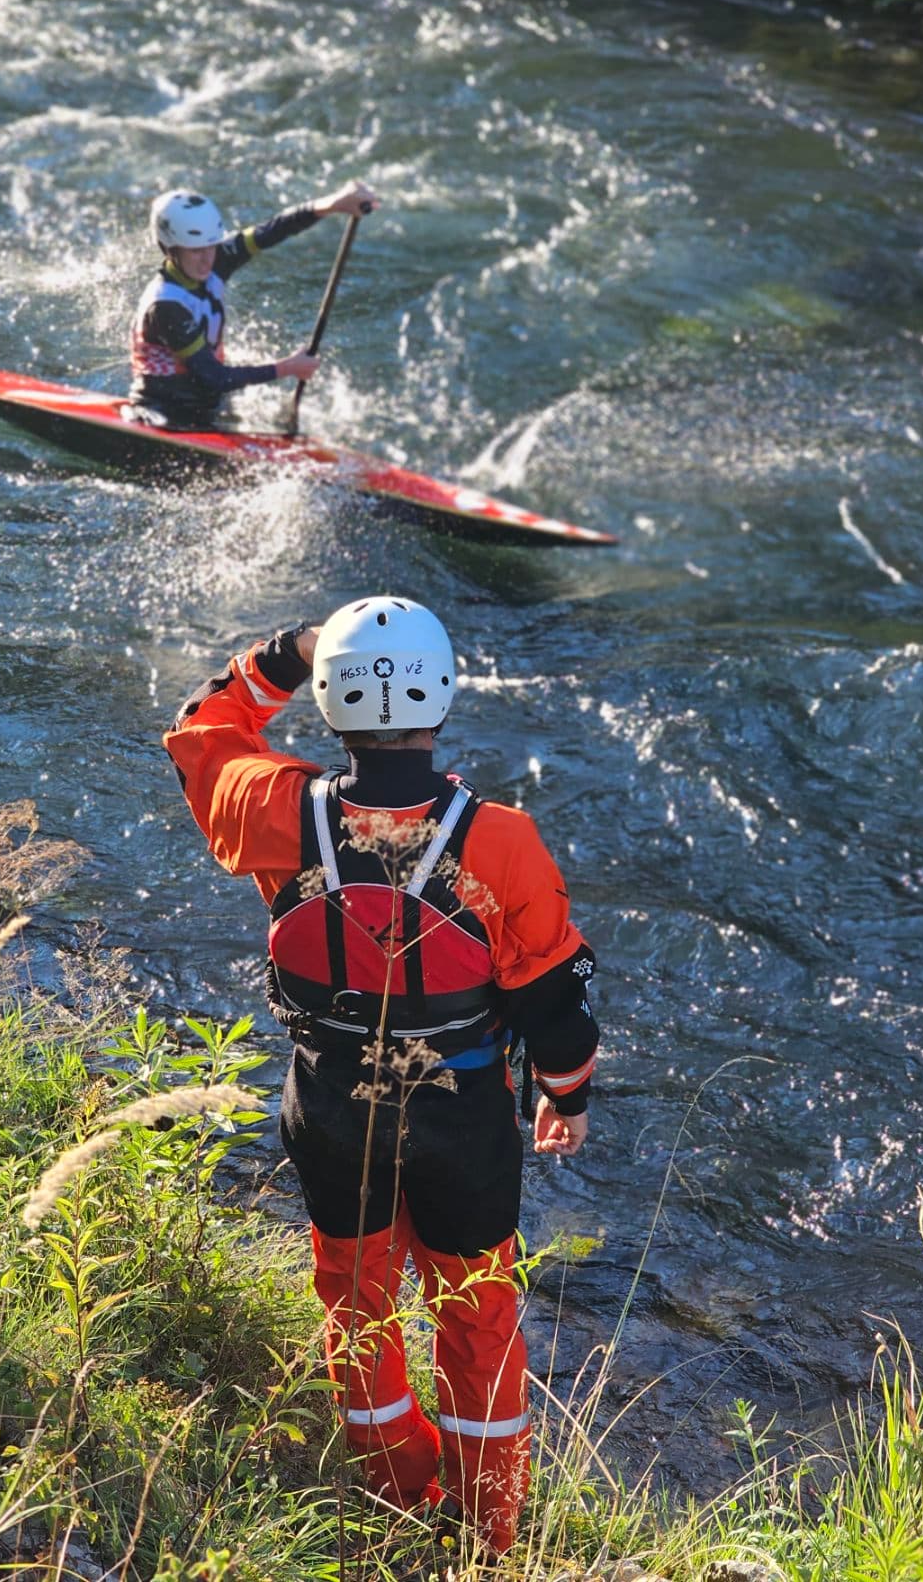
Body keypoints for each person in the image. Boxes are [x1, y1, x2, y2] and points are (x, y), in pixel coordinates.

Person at [163, 596, 600, 1554]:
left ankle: (397, 1499)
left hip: (329, 1104)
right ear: (441, 697)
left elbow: (203, 729)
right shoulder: (501, 840)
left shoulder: (275, 808)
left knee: (356, 1298)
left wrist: (283, 652)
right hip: (463, 1121)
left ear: (329, 700)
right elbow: (555, 1008)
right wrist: (563, 1096)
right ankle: (488, 1537)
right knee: (478, 1315)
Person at [126, 179, 378, 431]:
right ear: (169, 249)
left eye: (211, 246)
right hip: (163, 414)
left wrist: (332, 204)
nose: (206, 260)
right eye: (195, 251)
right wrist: (287, 367)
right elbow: (215, 377)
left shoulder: (217, 259)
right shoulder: (165, 306)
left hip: (207, 406)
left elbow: (272, 231)